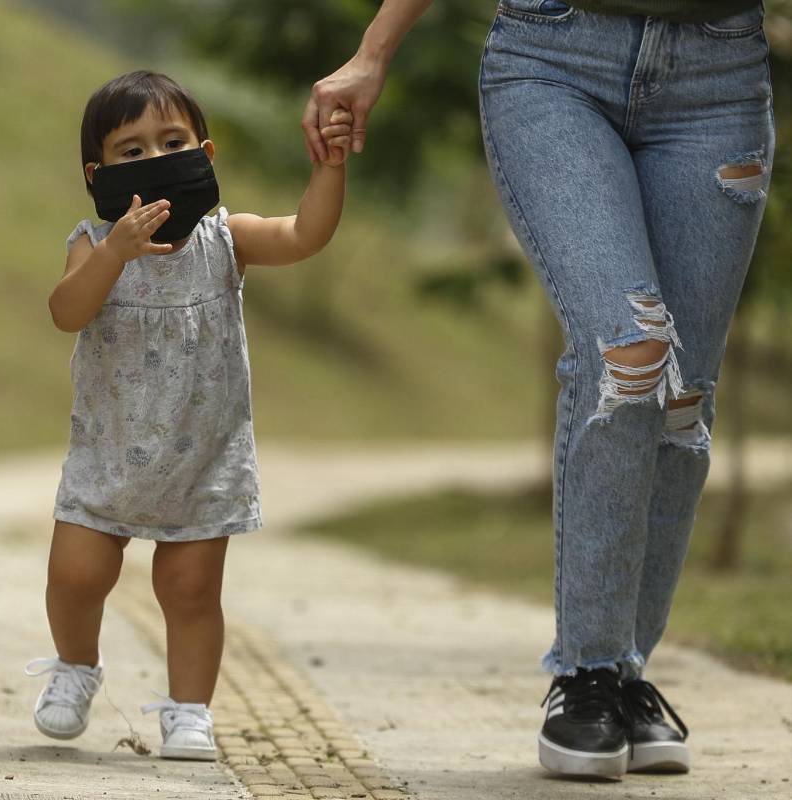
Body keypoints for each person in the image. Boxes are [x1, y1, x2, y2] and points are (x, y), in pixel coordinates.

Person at [304, 0, 773, 780]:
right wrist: (373, 50)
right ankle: (585, 674)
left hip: (720, 76)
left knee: (682, 398)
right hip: (556, 58)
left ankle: (624, 671)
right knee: (630, 357)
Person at [26, 70, 351, 761]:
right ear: (97, 175)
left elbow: (304, 235)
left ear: (205, 155)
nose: (156, 159)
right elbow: (65, 311)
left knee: (191, 590)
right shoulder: (92, 242)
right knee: (75, 576)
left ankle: (189, 710)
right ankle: (76, 667)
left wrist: (329, 167)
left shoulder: (227, 239)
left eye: (172, 143)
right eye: (132, 151)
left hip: (201, 458)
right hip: (109, 455)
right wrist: (115, 254)